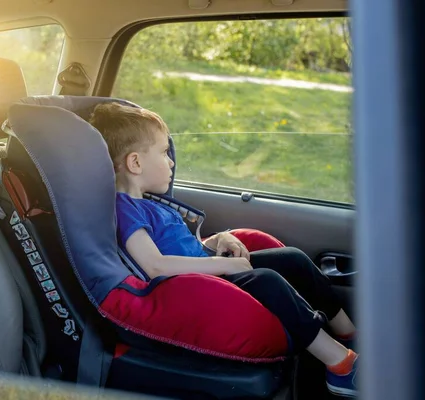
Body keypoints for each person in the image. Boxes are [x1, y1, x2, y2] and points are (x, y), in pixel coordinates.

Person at [89, 102, 359, 397]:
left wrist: (216, 242)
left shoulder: (151, 203)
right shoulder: (125, 209)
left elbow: (183, 247)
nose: (171, 162)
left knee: (293, 260)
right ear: (135, 163)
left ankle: (349, 336)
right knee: (267, 281)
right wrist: (225, 266)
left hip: (205, 268)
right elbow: (154, 265)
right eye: (164, 152)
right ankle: (341, 366)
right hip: (191, 289)